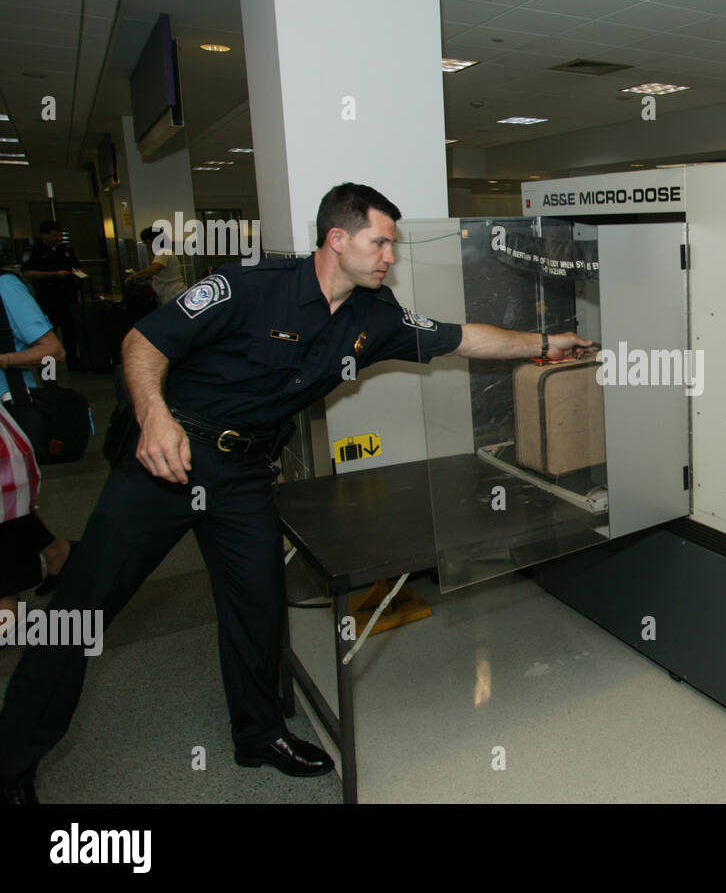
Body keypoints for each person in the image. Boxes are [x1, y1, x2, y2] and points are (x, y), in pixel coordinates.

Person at [0, 183, 593, 803]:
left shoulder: (376, 315)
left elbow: (462, 337)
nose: (391, 254)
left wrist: (547, 344)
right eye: (380, 241)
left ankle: (259, 734)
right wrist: (154, 416)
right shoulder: (249, 285)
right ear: (337, 239)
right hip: (167, 459)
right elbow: (142, 342)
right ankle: (12, 763)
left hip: (245, 475)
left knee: (257, 607)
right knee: (81, 608)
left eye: (392, 242)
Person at [0, 272, 75, 642]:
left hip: (9, 410)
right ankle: (56, 551)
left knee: (7, 513)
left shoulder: (4, 287)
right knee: (11, 507)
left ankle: (6, 605)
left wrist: (5, 359)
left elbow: (52, 350)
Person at [20, 221, 82, 370]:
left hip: (67, 297)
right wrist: (54, 274)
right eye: (55, 235)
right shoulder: (34, 251)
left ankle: (73, 362)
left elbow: (77, 267)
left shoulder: (65, 250)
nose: (58, 238)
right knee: (48, 334)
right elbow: (28, 273)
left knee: (70, 332)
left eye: (60, 235)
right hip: (47, 298)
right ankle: (47, 367)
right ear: (44, 235)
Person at [128, 227, 187, 303]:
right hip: (173, 293)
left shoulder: (162, 253)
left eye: (147, 243)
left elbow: (153, 270)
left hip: (172, 294)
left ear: (150, 241)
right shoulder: (165, 252)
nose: (148, 247)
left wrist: (133, 276)